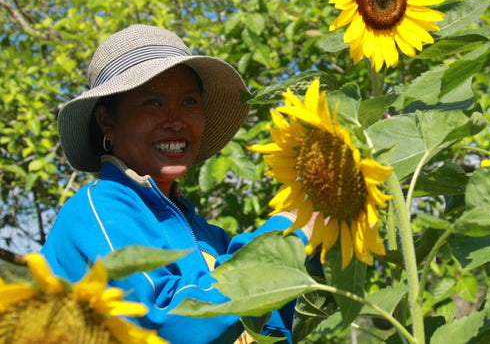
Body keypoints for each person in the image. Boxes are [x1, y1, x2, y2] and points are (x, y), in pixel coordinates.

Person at [41, 24, 311, 344]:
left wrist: (322, 231)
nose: (175, 119)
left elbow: (269, 328)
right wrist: (289, 233)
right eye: (153, 103)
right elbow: (173, 324)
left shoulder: (209, 238)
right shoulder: (95, 212)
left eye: (189, 102)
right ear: (107, 121)